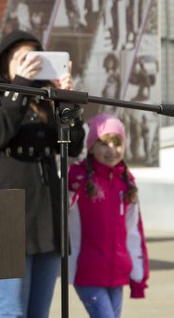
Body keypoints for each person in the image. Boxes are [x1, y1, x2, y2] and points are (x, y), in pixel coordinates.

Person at [0, 30, 85, 318]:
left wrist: (67, 102)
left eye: (36, 58)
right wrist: (21, 85)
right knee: (13, 312)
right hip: (9, 208)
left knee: (39, 313)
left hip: (47, 211)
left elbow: (74, 147)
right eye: (22, 59)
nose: (31, 64)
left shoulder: (47, 97)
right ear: (5, 63)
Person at [68, 113, 149, 318]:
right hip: (87, 273)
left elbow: (134, 231)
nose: (112, 150)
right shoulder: (78, 178)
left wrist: (138, 275)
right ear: (91, 147)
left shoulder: (127, 183)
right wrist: (72, 186)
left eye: (117, 143)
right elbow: (64, 208)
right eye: (104, 143)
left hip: (117, 273)